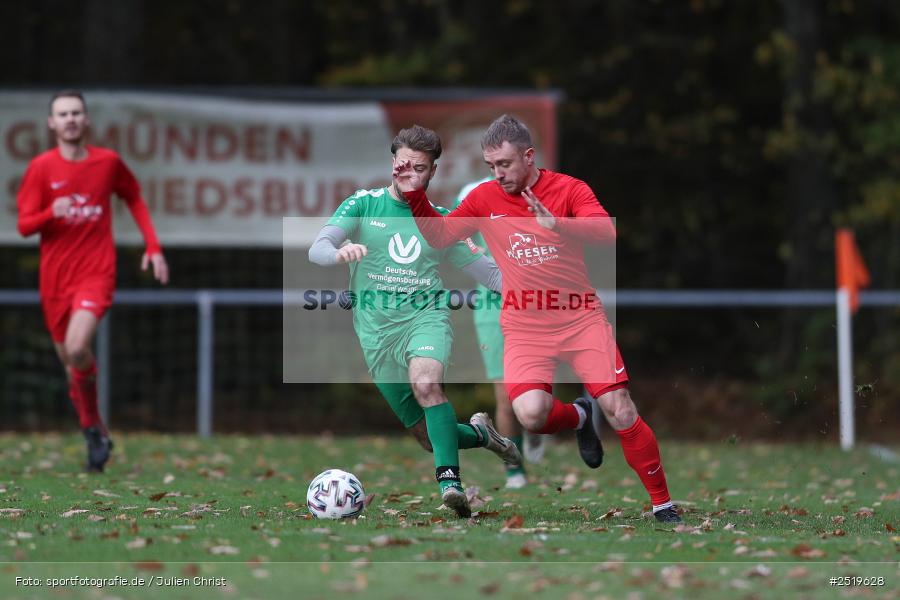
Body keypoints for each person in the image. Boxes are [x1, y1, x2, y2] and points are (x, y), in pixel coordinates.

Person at [401, 115, 681, 523]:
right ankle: (581, 415)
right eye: (491, 165)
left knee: (620, 408)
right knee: (531, 413)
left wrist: (559, 225)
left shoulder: (568, 189)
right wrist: (415, 195)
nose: (499, 174)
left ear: (529, 156)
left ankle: (663, 505)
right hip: (525, 326)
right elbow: (441, 236)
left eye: (506, 164)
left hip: (579, 317)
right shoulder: (484, 198)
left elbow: (606, 232)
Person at [308, 125, 522, 518]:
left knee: (427, 383)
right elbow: (317, 248)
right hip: (375, 333)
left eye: (419, 168)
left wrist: (545, 287)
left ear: (433, 171)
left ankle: (450, 484)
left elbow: (492, 276)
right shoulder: (363, 205)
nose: (409, 174)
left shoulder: (441, 222)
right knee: (428, 437)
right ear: (393, 164)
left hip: (426, 318)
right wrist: (338, 252)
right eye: (404, 165)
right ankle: (482, 435)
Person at [17, 90, 169, 472]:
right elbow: (24, 225)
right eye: (62, 114)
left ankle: (92, 428)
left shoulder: (107, 162)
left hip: (95, 273)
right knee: (71, 363)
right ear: (51, 123)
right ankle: (93, 428)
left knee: (77, 346)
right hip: (55, 280)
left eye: (76, 113)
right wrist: (51, 212)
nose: (70, 119)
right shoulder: (40, 168)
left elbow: (133, 196)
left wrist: (152, 245)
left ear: (86, 121)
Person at [453, 177, 547, 489]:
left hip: (533, 308)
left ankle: (535, 429)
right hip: (492, 313)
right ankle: (514, 469)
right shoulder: (470, 208)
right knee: (505, 397)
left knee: (536, 392)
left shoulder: (526, 206)